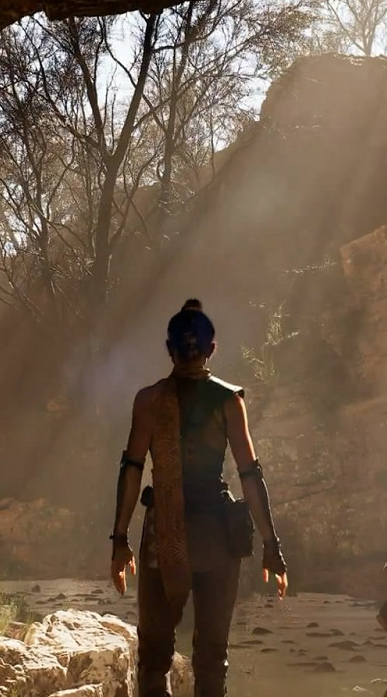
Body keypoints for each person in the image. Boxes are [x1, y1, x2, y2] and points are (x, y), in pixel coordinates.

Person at [109, 298, 288, 697]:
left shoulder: (149, 401)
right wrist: (272, 547)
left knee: (154, 656)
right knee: (211, 657)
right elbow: (250, 475)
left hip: (163, 536)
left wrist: (119, 540)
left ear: (169, 350)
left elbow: (132, 469)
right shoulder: (228, 401)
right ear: (212, 349)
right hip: (216, 538)